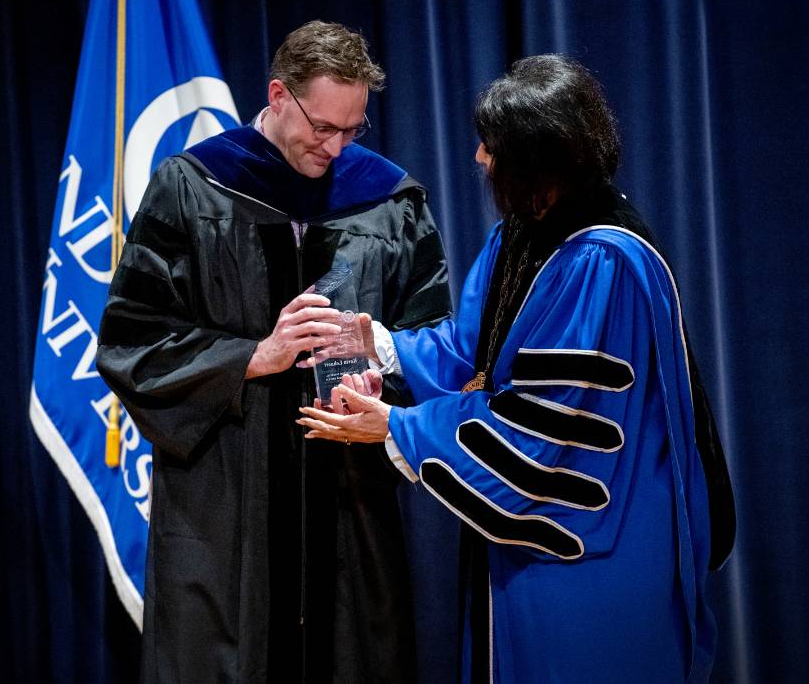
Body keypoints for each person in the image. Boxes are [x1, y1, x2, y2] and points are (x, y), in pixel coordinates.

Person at [297, 54, 735, 683]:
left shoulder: (601, 261)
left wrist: (397, 427)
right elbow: (470, 351)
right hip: (533, 548)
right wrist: (379, 344)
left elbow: (548, 429)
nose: (479, 157)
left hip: (590, 555)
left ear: (539, 155)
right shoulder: (525, 232)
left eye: (493, 145)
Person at [96, 20, 451, 684]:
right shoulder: (193, 187)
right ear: (278, 95)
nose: (337, 148)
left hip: (351, 507)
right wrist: (255, 355)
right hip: (226, 505)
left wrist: (385, 381)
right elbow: (130, 340)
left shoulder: (388, 200)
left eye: (353, 129)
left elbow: (435, 337)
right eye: (322, 126)